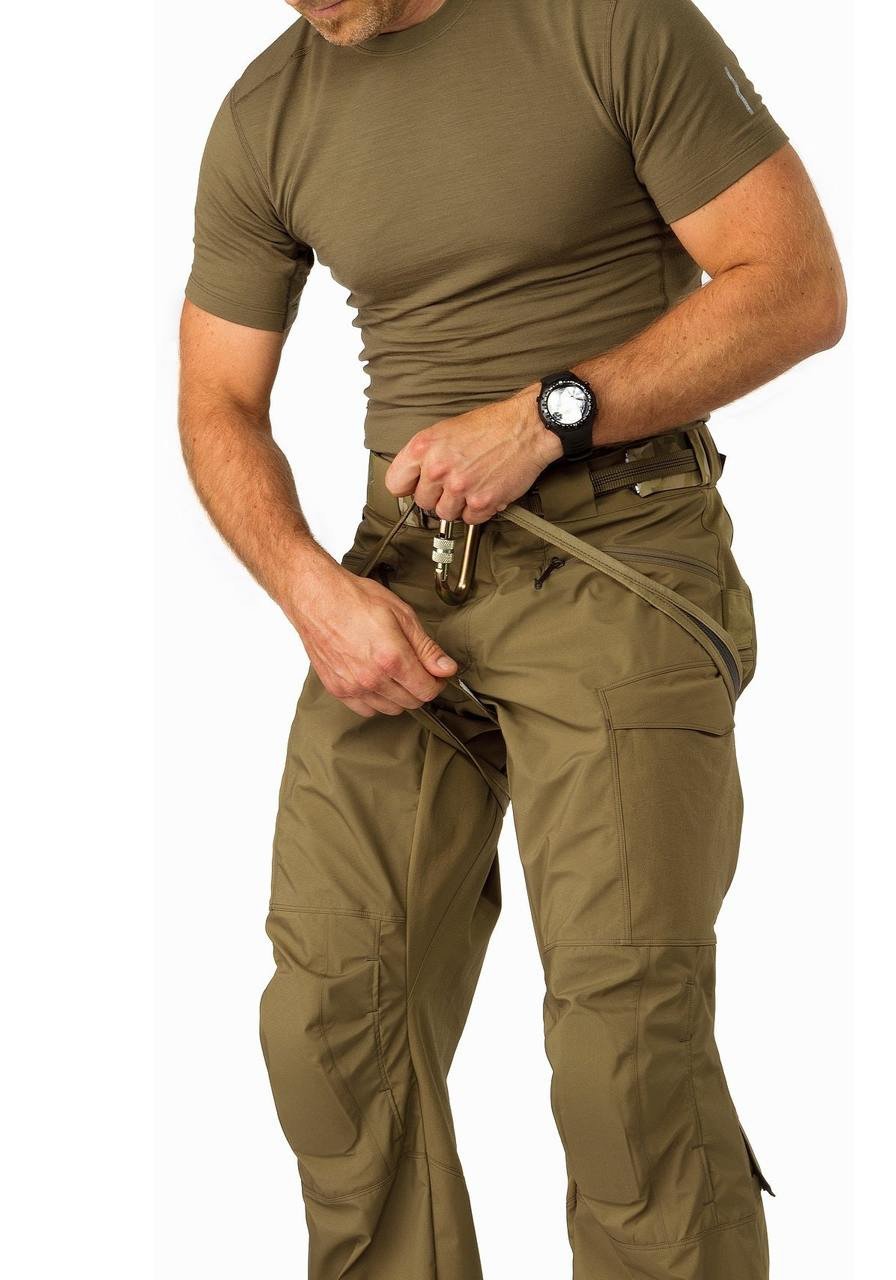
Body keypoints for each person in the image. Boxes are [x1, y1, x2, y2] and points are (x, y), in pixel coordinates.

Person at [178, 0, 845, 1275]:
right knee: (327, 1025)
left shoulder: (606, 23)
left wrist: (548, 416)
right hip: (397, 576)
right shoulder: (266, 113)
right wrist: (310, 588)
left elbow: (797, 285)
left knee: (620, 1062)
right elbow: (217, 398)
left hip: (620, 551)